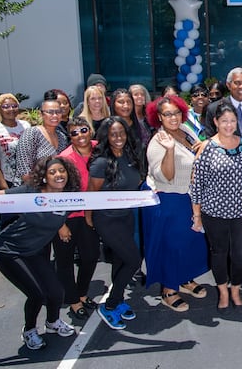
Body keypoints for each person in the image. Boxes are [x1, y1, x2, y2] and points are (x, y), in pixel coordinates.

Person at [0, 157, 80, 350]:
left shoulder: (69, 196)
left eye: (62, 171)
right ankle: (29, 330)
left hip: (32, 251)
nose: (58, 175)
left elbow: (98, 201)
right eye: (52, 172)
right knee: (37, 294)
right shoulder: (29, 193)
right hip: (7, 250)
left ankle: (52, 323)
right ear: (43, 177)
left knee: (57, 292)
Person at [143, 95, 209, 312]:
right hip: (169, 198)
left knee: (189, 241)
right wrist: (170, 150)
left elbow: (197, 151)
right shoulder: (158, 142)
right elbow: (167, 177)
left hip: (188, 196)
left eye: (176, 112)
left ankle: (185, 278)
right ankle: (169, 289)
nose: (173, 117)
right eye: (167, 114)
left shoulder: (185, 131)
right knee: (173, 245)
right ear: (159, 117)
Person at [87, 117, 146, 329]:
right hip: (107, 219)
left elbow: (137, 181)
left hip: (126, 216)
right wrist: (89, 219)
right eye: (113, 134)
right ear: (106, 136)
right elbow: (91, 193)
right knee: (133, 260)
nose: (118, 137)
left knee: (122, 261)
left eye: (121, 133)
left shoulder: (131, 156)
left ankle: (119, 300)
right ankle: (110, 305)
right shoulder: (101, 162)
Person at [190, 102, 242, 311]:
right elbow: (197, 183)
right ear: (215, 122)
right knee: (219, 252)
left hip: (241, 211)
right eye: (224, 121)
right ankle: (223, 290)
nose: (229, 125)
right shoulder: (206, 147)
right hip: (213, 212)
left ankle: (236, 287)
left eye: (232, 121)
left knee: (241, 255)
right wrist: (197, 215)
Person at [55, 117, 100, 320]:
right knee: (64, 261)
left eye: (83, 130)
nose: (80, 135)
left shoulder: (100, 149)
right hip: (67, 217)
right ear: (69, 136)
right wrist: (60, 224)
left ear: (89, 130)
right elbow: (53, 192)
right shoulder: (63, 159)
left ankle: (82, 293)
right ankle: (73, 300)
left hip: (90, 215)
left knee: (90, 256)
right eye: (74, 133)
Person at [15, 99, 70, 183]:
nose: (55, 115)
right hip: (31, 189)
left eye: (58, 112)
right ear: (41, 114)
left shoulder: (62, 137)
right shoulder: (31, 134)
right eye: (50, 112)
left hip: (56, 189)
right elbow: (24, 170)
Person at [0, 93, 30, 192]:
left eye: (14, 106)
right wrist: (5, 189)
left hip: (26, 179)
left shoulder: (26, 126)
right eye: (6, 106)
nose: (11, 109)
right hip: (7, 180)